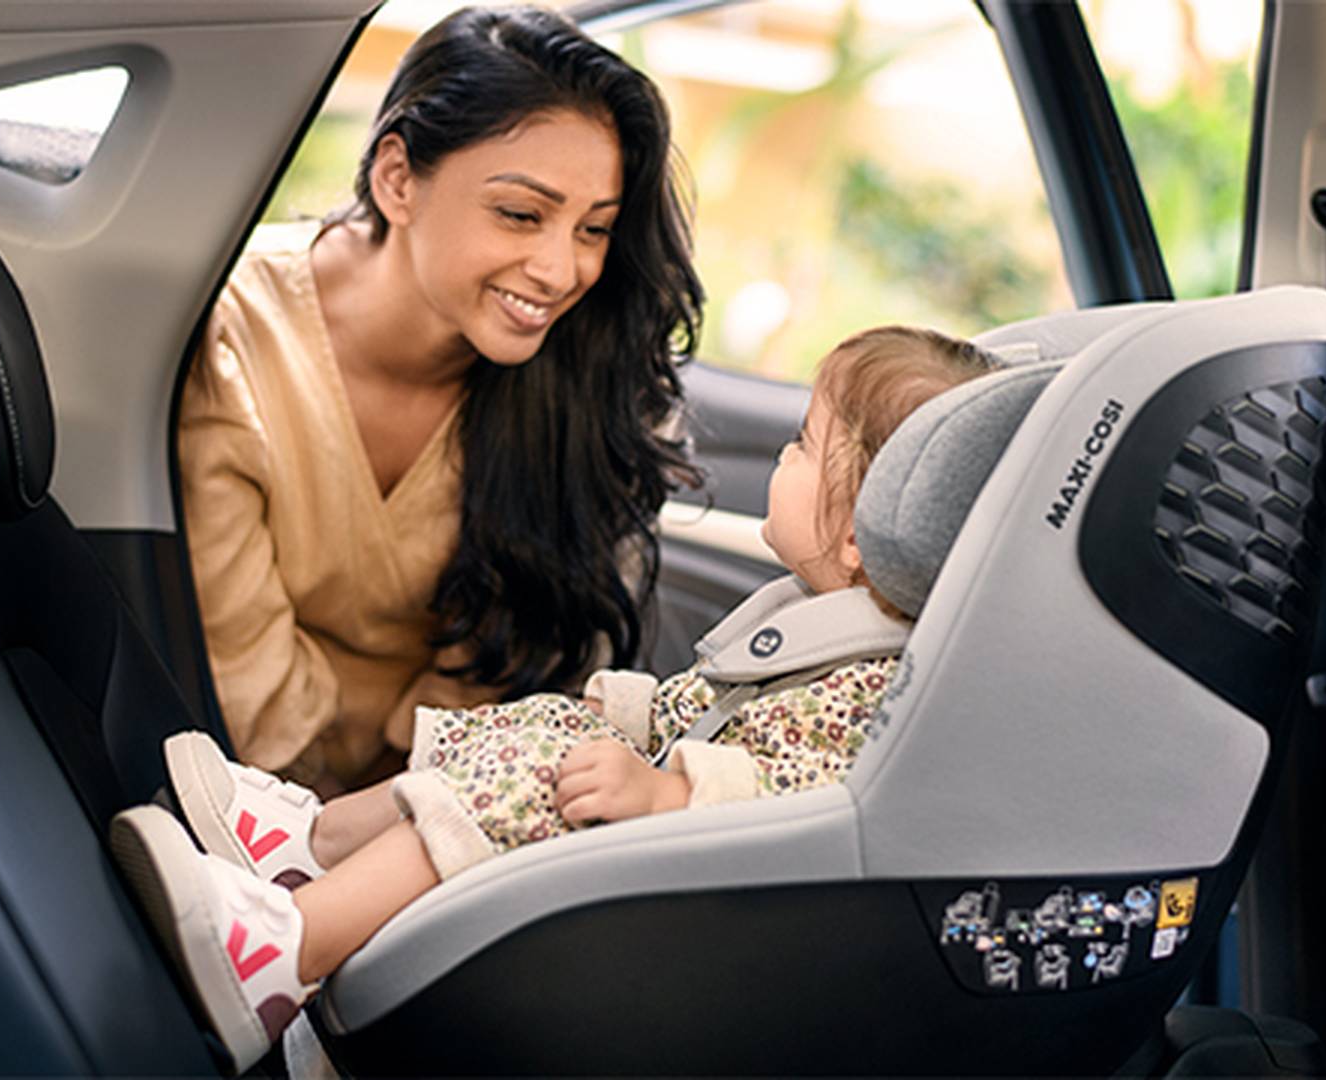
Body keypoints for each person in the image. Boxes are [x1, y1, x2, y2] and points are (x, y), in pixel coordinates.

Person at [114, 325, 995, 1070]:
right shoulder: (826, 615)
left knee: (544, 776)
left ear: (862, 535)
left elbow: (811, 794)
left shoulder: (884, 682)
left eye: (804, 444)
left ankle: (280, 951)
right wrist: (631, 719)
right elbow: (723, 709)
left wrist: (666, 790)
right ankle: (306, 843)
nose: (783, 453)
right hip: (682, 835)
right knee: (547, 723)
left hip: (701, 884)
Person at [177, 5, 703, 795]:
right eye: (520, 215)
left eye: (593, 230)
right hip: (246, 797)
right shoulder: (228, 343)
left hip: (458, 816)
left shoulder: (586, 383)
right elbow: (250, 697)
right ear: (397, 179)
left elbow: (522, 685)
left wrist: (426, 807)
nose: (561, 272)